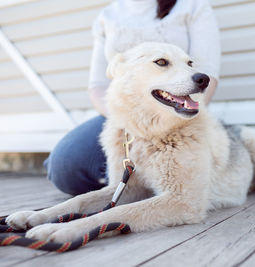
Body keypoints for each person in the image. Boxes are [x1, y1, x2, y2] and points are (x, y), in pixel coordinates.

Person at [44, 0, 221, 195]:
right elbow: (97, 86)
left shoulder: (193, 6)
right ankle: (130, 182)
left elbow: (205, 75)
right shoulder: (108, 15)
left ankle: (144, 183)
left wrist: (178, 115)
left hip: (178, 112)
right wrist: (128, 120)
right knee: (63, 167)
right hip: (121, 113)